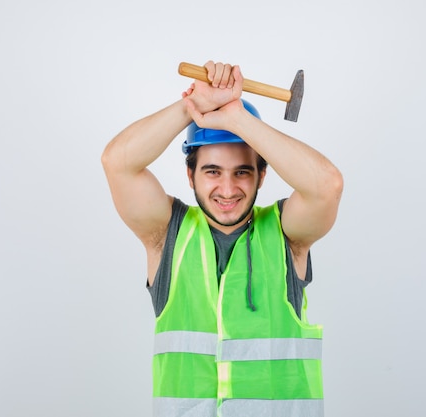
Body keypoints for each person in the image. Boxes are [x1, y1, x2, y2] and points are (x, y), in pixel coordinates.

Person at [101, 60, 343, 417]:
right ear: (190, 174)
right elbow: (117, 162)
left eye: (242, 172)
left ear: (262, 175)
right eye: (212, 171)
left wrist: (237, 118)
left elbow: (327, 186)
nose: (227, 189)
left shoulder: (287, 235)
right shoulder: (166, 236)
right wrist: (192, 106)